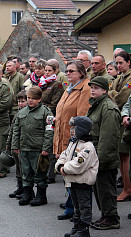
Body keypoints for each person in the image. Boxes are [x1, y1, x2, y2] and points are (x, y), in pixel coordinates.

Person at [54, 60, 91, 220]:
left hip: (74, 140)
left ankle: (77, 212)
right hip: (62, 137)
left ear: (81, 73)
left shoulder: (85, 88)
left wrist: (76, 140)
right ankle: (71, 208)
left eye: (72, 71)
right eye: (67, 71)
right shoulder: (69, 88)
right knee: (67, 175)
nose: (68, 73)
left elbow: (82, 117)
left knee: (76, 177)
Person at [55, 116, 99, 237]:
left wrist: (65, 168)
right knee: (76, 206)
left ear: (82, 129)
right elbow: (64, 155)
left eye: (74, 128)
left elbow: (79, 165)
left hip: (82, 182)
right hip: (73, 181)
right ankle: (77, 226)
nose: (72, 130)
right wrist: (59, 166)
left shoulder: (87, 147)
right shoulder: (74, 143)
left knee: (84, 206)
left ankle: (84, 230)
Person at [87, 76, 121, 230]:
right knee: (100, 189)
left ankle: (111, 217)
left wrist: (100, 160)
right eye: (92, 87)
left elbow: (107, 138)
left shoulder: (107, 108)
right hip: (96, 154)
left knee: (106, 188)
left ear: (104, 90)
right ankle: (105, 215)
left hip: (104, 156)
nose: (92, 90)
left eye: (96, 88)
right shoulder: (97, 105)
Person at [12, 86, 53, 206]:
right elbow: (16, 130)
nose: (30, 100)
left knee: (40, 172)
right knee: (26, 172)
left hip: (38, 149)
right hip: (24, 147)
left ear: (39, 99)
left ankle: (41, 195)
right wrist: (15, 145)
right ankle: (28, 193)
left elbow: (49, 131)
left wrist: (46, 148)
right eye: (28, 98)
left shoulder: (46, 112)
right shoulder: (22, 112)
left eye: (33, 98)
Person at [109, 50, 131, 202]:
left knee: (125, 156)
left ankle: (127, 189)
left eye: (121, 63)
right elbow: (111, 91)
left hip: (125, 121)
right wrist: (112, 92)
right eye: (116, 63)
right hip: (118, 120)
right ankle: (126, 186)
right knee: (121, 155)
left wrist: (111, 92)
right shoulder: (119, 78)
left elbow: (121, 97)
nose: (118, 66)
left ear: (128, 62)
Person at [39, 62, 64, 184]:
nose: (47, 73)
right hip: (41, 115)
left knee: (50, 144)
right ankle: (42, 170)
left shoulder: (57, 85)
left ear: (55, 71)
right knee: (43, 143)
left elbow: (55, 103)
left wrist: (43, 110)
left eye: (49, 71)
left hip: (50, 116)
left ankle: (51, 174)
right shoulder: (42, 83)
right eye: (46, 70)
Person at [7, 90, 27, 198]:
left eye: (23, 101)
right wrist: (8, 143)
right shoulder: (17, 113)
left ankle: (26, 189)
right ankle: (20, 187)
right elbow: (12, 130)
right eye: (19, 102)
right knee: (18, 167)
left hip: (23, 144)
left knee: (24, 168)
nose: (20, 104)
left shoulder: (27, 113)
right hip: (15, 144)